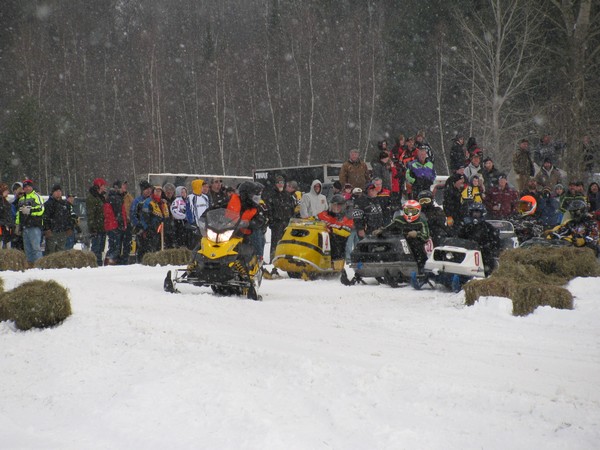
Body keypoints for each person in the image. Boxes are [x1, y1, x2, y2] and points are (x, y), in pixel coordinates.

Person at [374, 199, 430, 272]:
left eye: (413, 212)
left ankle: (421, 268)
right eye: (408, 211)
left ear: (418, 211)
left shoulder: (422, 222)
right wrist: (381, 230)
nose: (410, 214)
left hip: (415, 242)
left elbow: (426, 236)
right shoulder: (399, 219)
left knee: (417, 248)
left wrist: (417, 234)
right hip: (399, 241)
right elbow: (389, 227)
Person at [226, 181, 267, 262]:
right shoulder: (230, 201)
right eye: (254, 196)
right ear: (247, 195)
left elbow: (260, 220)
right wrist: (205, 218)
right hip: (229, 230)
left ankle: (258, 258)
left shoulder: (256, 207)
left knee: (257, 233)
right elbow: (215, 208)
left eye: (257, 197)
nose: (256, 199)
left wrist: (249, 223)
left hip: (246, 232)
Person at [458, 203, 501, 276]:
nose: (475, 215)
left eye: (477, 212)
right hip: (467, 254)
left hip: (483, 255)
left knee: (488, 266)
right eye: (474, 212)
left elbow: (496, 241)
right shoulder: (465, 227)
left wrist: (488, 247)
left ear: (482, 214)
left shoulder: (488, 227)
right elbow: (459, 239)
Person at [263, 175, 295, 261]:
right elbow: (269, 210)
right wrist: (272, 222)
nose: (281, 184)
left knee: (286, 242)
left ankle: (285, 259)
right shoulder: (271, 195)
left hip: (287, 222)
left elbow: (292, 208)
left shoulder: (287, 195)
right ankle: (273, 260)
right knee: (275, 243)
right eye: (279, 183)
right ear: (275, 184)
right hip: (276, 223)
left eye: (282, 182)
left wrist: (291, 219)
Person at [15, 179, 45, 265]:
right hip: (25, 226)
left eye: (29, 186)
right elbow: (18, 213)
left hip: (35, 225)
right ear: (23, 188)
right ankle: (30, 266)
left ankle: (39, 265)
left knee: (36, 248)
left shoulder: (36, 196)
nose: (27, 188)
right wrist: (17, 224)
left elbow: (41, 209)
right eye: (25, 187)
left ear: (32, 187)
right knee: (27, 249)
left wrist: (30, 211)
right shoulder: (21, 199)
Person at [317, 194, 354, 260]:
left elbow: (346, 232)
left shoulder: (347, 219)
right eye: (334, 205)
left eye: (339, 205)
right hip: (319, 244)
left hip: (337, 248)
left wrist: (331, 230)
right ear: (330, 205)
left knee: (336, 241)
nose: (336, 207)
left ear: (343, 207)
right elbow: (312, 220)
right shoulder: (322, 215)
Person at [43, 184, 74, 254]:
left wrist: (69, 227)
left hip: (63, 232)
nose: (58, 192)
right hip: (52, 232)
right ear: (53, 192)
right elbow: (45, 218)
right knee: (51, 252)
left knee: (61, 252)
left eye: (60, 191)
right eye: (56, 191)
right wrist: (47, 229)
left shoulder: (65, 204)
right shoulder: (48, 204)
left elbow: (69, 217)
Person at [104, 181, 129, 265]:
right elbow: (119, 214)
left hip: (112, 226)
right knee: (115, 247)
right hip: (114, 226)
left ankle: (109, 262)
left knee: (114, 246)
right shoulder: (116, 198)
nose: (124, 188)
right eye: (122, 186)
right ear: (117, 188)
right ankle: (109, 263)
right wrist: (122, 224)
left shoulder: (113, 197)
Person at [140, 186, 170, 253]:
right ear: (153, 191)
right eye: (156, 191)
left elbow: (167, 216)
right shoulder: (148, 202)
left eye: (160, 191)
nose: (158, 193)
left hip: (163, 229)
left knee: (162, 247)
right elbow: (145, 216)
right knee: (152, 247)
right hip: (152, 229)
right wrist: (147, 228)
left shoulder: (163, 203)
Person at [86, 178, 108, 266]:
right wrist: (92, 227)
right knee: (96, 250)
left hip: (102, 227)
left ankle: (98, 265)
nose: (104, 188)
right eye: (103, 186)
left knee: (100, 250)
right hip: (97, 228)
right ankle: (94, 265)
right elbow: (91, 214)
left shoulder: (101, 197)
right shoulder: (92, 198)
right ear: (98, 186)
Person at [130, 180, 153, 262]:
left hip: (150, 228)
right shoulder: (137, 201)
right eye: (146, 189)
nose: (148, 191)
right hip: (141, 228)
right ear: (142, 190)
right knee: (141, 247)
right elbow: (133, 214)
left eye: (149, 189)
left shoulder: (152, 200)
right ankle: (139, 261)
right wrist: (138, 225)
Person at [10, 182, 24, 250]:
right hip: (15, 228)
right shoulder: (12, 203)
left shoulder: (28, 201)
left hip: (25, 227)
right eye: (15, 190)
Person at [0, 182, 15, 248]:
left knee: (7, 243)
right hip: (2, 226)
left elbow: (8, 214)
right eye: (6, 190)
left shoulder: (6, 202)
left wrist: (10, 224)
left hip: (6, 226)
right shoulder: (2, 201)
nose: (8, 192)